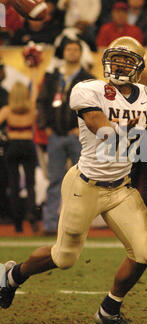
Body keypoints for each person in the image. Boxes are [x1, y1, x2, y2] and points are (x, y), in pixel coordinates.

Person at [0, 36, 147, 324]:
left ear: (138, 66)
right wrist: (135, 139)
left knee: (144, 254)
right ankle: (13, 275)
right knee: (64, 258)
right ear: (106, 61)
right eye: (115, 58)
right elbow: (97, 125)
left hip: (120, 188)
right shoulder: (88, 88)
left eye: (127, 60)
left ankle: (109, 309)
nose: (119, 64)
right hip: (85, 184)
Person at [36, 40, 95, 235]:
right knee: (55, 180)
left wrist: (84, 127)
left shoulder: (87, 79)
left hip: (78, 137)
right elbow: (42, 102)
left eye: (76, 49)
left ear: (81, 53)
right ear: (64, 53)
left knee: (83, 181)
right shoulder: (53, 77)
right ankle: (50, 224)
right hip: (55, 135)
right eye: (69, 49)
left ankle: (81, 224)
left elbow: (96, 107)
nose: (72, 53)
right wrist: (46, 128)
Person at [0, 71, 39, 233]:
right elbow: (35, 93)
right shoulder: (31, 108)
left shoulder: (7, 110)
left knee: (14, 185)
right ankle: (32, 215)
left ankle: (17, 223)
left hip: (13, 146)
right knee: (30, 184)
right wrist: (35, 72)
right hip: (28, 145)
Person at [0, 57, 11, 224]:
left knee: (3, 178)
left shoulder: (4, 93)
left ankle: (3, 212)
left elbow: (7, 111)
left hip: (3, 140)